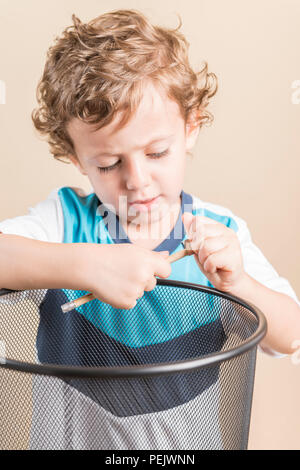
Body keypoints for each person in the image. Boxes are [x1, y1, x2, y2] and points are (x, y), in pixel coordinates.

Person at [0, 9, 299, 450]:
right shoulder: (63, 224)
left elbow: (291, 335)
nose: (136, 180)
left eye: (157, 152)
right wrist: (86, 264)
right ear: (75, 158)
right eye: (108, 163)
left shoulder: (219, 235)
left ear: (190, 128)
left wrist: (239, 282)